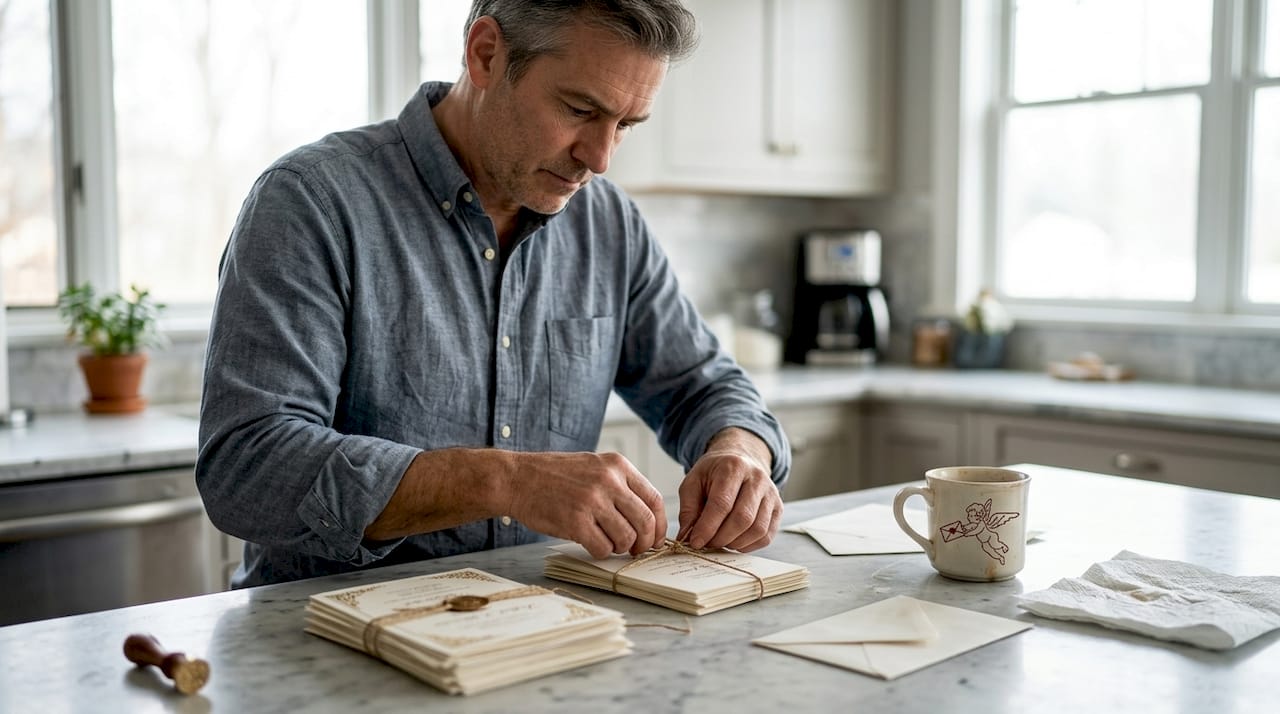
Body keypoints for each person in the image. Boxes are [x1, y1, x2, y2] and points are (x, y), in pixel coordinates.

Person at [197, 0, 791, 588]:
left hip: (535, 629)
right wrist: (505, 481)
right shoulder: (311, 203)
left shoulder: (609, 225)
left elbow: (703, 385)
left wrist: (740, 452)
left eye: (626, 126)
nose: (602, 158)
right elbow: (248, 469)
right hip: (322, 642)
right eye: (581, 108)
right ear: (485, 55)